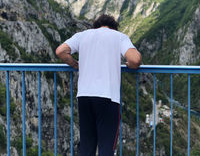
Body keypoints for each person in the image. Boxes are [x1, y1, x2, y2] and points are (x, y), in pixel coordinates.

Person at [56, 14, 141, 156]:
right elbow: (135, 60)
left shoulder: (82, 35)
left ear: (95, 26)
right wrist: (129, 65)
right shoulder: (119, 36)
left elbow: (60, 51)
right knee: (106, 147)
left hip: (84, 96)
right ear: (114, 27)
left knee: (87, 146)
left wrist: (75, 64)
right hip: (107, 98)